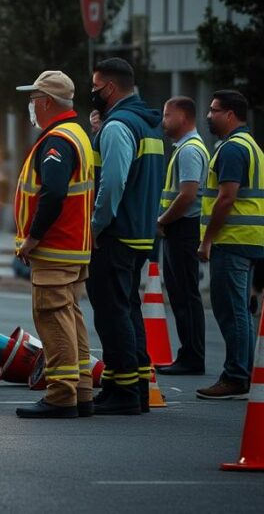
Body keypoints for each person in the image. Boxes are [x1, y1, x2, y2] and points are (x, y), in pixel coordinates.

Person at [12, 72, 95, 419]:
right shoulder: (77, 134)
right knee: (70, 315)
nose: (31, 106)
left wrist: (33, 237)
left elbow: (54, 192)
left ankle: (61, 395)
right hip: (74, 247)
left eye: (33, 99)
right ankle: (82, 390)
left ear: (46, 102)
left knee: (52, 316)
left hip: (56, 248)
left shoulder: (57, 141)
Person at [87, 58, 164, 415]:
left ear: (110, 89)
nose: (93, 93)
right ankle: (130, 385)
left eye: (95, 87)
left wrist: (95, 227)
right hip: (138, 231)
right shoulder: (146, 125)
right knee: (127, 310)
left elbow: (113, 182)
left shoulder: (119, 126)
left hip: (115, 234)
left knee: (112, 313)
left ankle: (125, 394)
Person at [196, 90, 264, 400]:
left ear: (230, 115)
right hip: (248, 241)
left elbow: (226, 197)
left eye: (214, 110)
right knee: (240, 310)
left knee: (232, 309)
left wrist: (208, 240)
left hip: (232, 240)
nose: (209, 115)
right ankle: (243, 373)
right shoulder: (251, 146)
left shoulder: (233, 149)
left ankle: (236, 376)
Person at [155, 96, 209, 376]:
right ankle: (188, 355)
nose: (163, 121)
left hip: (183, 229)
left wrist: (163, 220)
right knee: (180, 295)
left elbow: (187, 195)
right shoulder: (183, 148)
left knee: (186, 296)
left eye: (167, 115)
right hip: (179, 229)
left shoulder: (189, 150)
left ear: (184, 117)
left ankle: (192, 358)